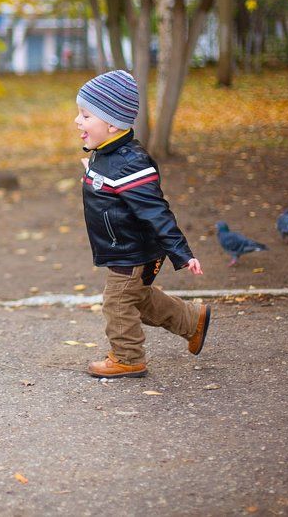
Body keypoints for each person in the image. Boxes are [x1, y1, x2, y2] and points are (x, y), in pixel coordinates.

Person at [75, 70, 209, 378]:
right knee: (138, 298)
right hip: (123, 246)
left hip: (131, 251)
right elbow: (111, 188)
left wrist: (182, 253)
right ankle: (192, 321)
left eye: (85, 115)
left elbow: (155, 211)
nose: (77, 121)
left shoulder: (130, 163)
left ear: (111, 124)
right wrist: (93, 173)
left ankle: (128, 357)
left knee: (117, 302)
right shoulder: (107, 155)